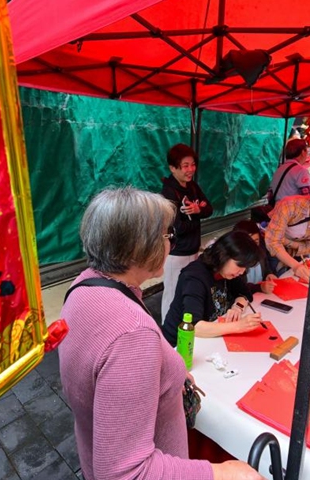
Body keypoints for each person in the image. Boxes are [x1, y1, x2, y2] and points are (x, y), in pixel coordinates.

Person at [60, 187, 262, 480]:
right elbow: (126, 473)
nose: (170, 244)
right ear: (140, 248)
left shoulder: (84, 285)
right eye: (168, 236)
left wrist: (168, 373)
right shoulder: (131, 335)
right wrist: (222, 473)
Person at [162, 231, 263, 346]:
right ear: (223, 255)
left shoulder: (229, 272)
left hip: (210, 339)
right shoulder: (194, 276)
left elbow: (245, 294)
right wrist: (239, 326)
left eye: (245, 267)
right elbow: (194, 326)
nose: (242, 272)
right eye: (240, 266)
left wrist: (237, 307)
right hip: (181, 344)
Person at [160, 144, 213, 323]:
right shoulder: (168, 193)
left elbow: (209, 209)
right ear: (173, 168)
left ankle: (185, 328)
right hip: (176, 254)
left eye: (192, 164)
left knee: (189, 291)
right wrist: (198, 214)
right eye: (185, 166)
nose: (191, 170)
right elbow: (178, 228)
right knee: (172, 294)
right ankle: (167, 334)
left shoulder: (192, 187)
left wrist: (197, 211)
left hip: (193, 250)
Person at [232, 220, 276, 294]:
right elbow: (238, 287)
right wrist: (259, 287)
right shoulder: (235, 262)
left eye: (256, 242)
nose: (253, 247)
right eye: (248, 243)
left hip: (261, 295)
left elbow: (266, 268)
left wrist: (269, 275)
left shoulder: (261, 251)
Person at [266, 138, 310, 205]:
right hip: (289, 212)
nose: (307, 154)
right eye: (307, 151)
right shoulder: (301, 171)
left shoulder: (280, 169)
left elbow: (270, 193)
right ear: (303, 152)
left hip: (276, 211)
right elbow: (308, 198)